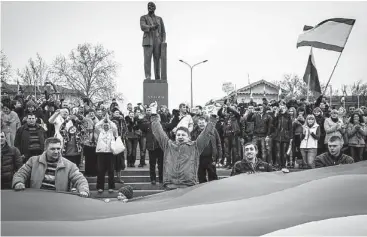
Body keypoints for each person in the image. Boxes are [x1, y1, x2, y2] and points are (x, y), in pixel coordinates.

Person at [150, 101, 217, 190]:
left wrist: (213, 118)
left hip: (188, 186)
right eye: (178, 135)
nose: (180, 137)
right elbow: (158, 131)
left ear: (189, 137)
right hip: (170, 185)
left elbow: (206, 133)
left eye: (183, 135)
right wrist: (154, 113)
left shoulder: (195, 147)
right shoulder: (168, 145)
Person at [12, 137, 89, 197]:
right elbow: (21, 173)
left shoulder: (69, 165)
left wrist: (84, 190)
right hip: (36, 197)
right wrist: (18, 182)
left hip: (59, 199)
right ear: (45, 149)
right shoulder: (33, 161)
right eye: (52, 149)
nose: (56, 152)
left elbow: (80, 179)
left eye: (58, 149)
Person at [191, 116, 222, 183]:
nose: (201, 124)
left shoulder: (213, 130)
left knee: (213, 177)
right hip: (199, 158)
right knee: (201, 177)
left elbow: (218, 143)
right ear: (197, 123)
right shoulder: (194, 132)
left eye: (203, 123)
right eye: (199, 123)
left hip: (211, 157)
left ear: (206, 123)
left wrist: (219, 155)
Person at [140, 2, 166, 80]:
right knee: (147, 59)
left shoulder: (159, 19)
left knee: (157, 59)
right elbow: (143, 26)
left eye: (151, 6)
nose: (149, 7)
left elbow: (163, 32)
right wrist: (152, 27)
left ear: (154, 8)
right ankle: (148, 76)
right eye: (148, 6)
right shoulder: (143, 17)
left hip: (157, 41)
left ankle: (157, 77)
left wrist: (163, 42)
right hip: (148, 40)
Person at [139, 107, 164, 185]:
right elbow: (140, 126)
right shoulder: (148, 125)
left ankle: (161, 179)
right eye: (154, 118)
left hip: (160, 147)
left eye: (157, 117)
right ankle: (153, 179)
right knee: (152, 165)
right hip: (151, 147)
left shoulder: (162, 125)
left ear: (159, 119)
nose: (155, 119)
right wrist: (140, 119)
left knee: (161, 165)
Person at [95, 114, 118, 193]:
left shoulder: (112, 132)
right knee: (100, 170)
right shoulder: (100, 131)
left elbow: (114, 127)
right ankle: (100, 187)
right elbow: (97, 125)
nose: (105, 126)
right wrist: (103, 119)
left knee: (111, 171)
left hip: (110, 153)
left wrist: (108, 120)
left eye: (107, 125)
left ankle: (111, 187)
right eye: (104, 125)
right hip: (101, 153)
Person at [273, 103, 293, 168]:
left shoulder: (288, 116)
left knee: (284, 152)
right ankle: (279, 165)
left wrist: (291, 137)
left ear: (286, 108)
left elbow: (290, 127)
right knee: (278, 152)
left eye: (284, 108)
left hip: (285, 136)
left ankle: (283, 165)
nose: (282, 109)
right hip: (277, 136)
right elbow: (274, 125)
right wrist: (275, 115)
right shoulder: (277, 116)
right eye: (281, 108)